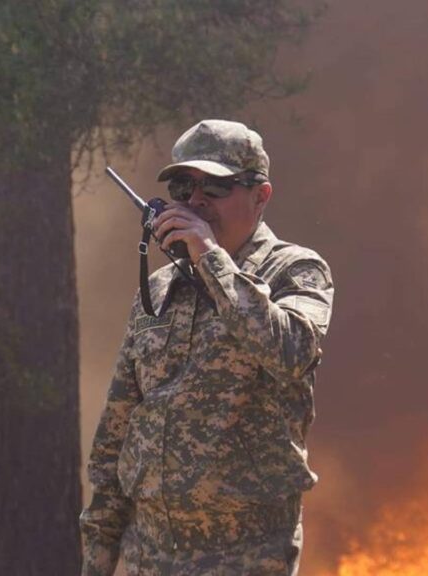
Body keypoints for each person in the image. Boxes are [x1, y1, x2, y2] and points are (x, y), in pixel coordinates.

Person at [80, 119, 335, 575]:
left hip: (244, 557)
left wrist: (209, 257)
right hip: (150, 557)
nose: (196, 202)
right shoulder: (157, 291)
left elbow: (291, 351)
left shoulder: (295, 272)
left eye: (215, 187)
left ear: (261, 196)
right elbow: (117, 432)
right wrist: (97, 559)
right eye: (184, 187)